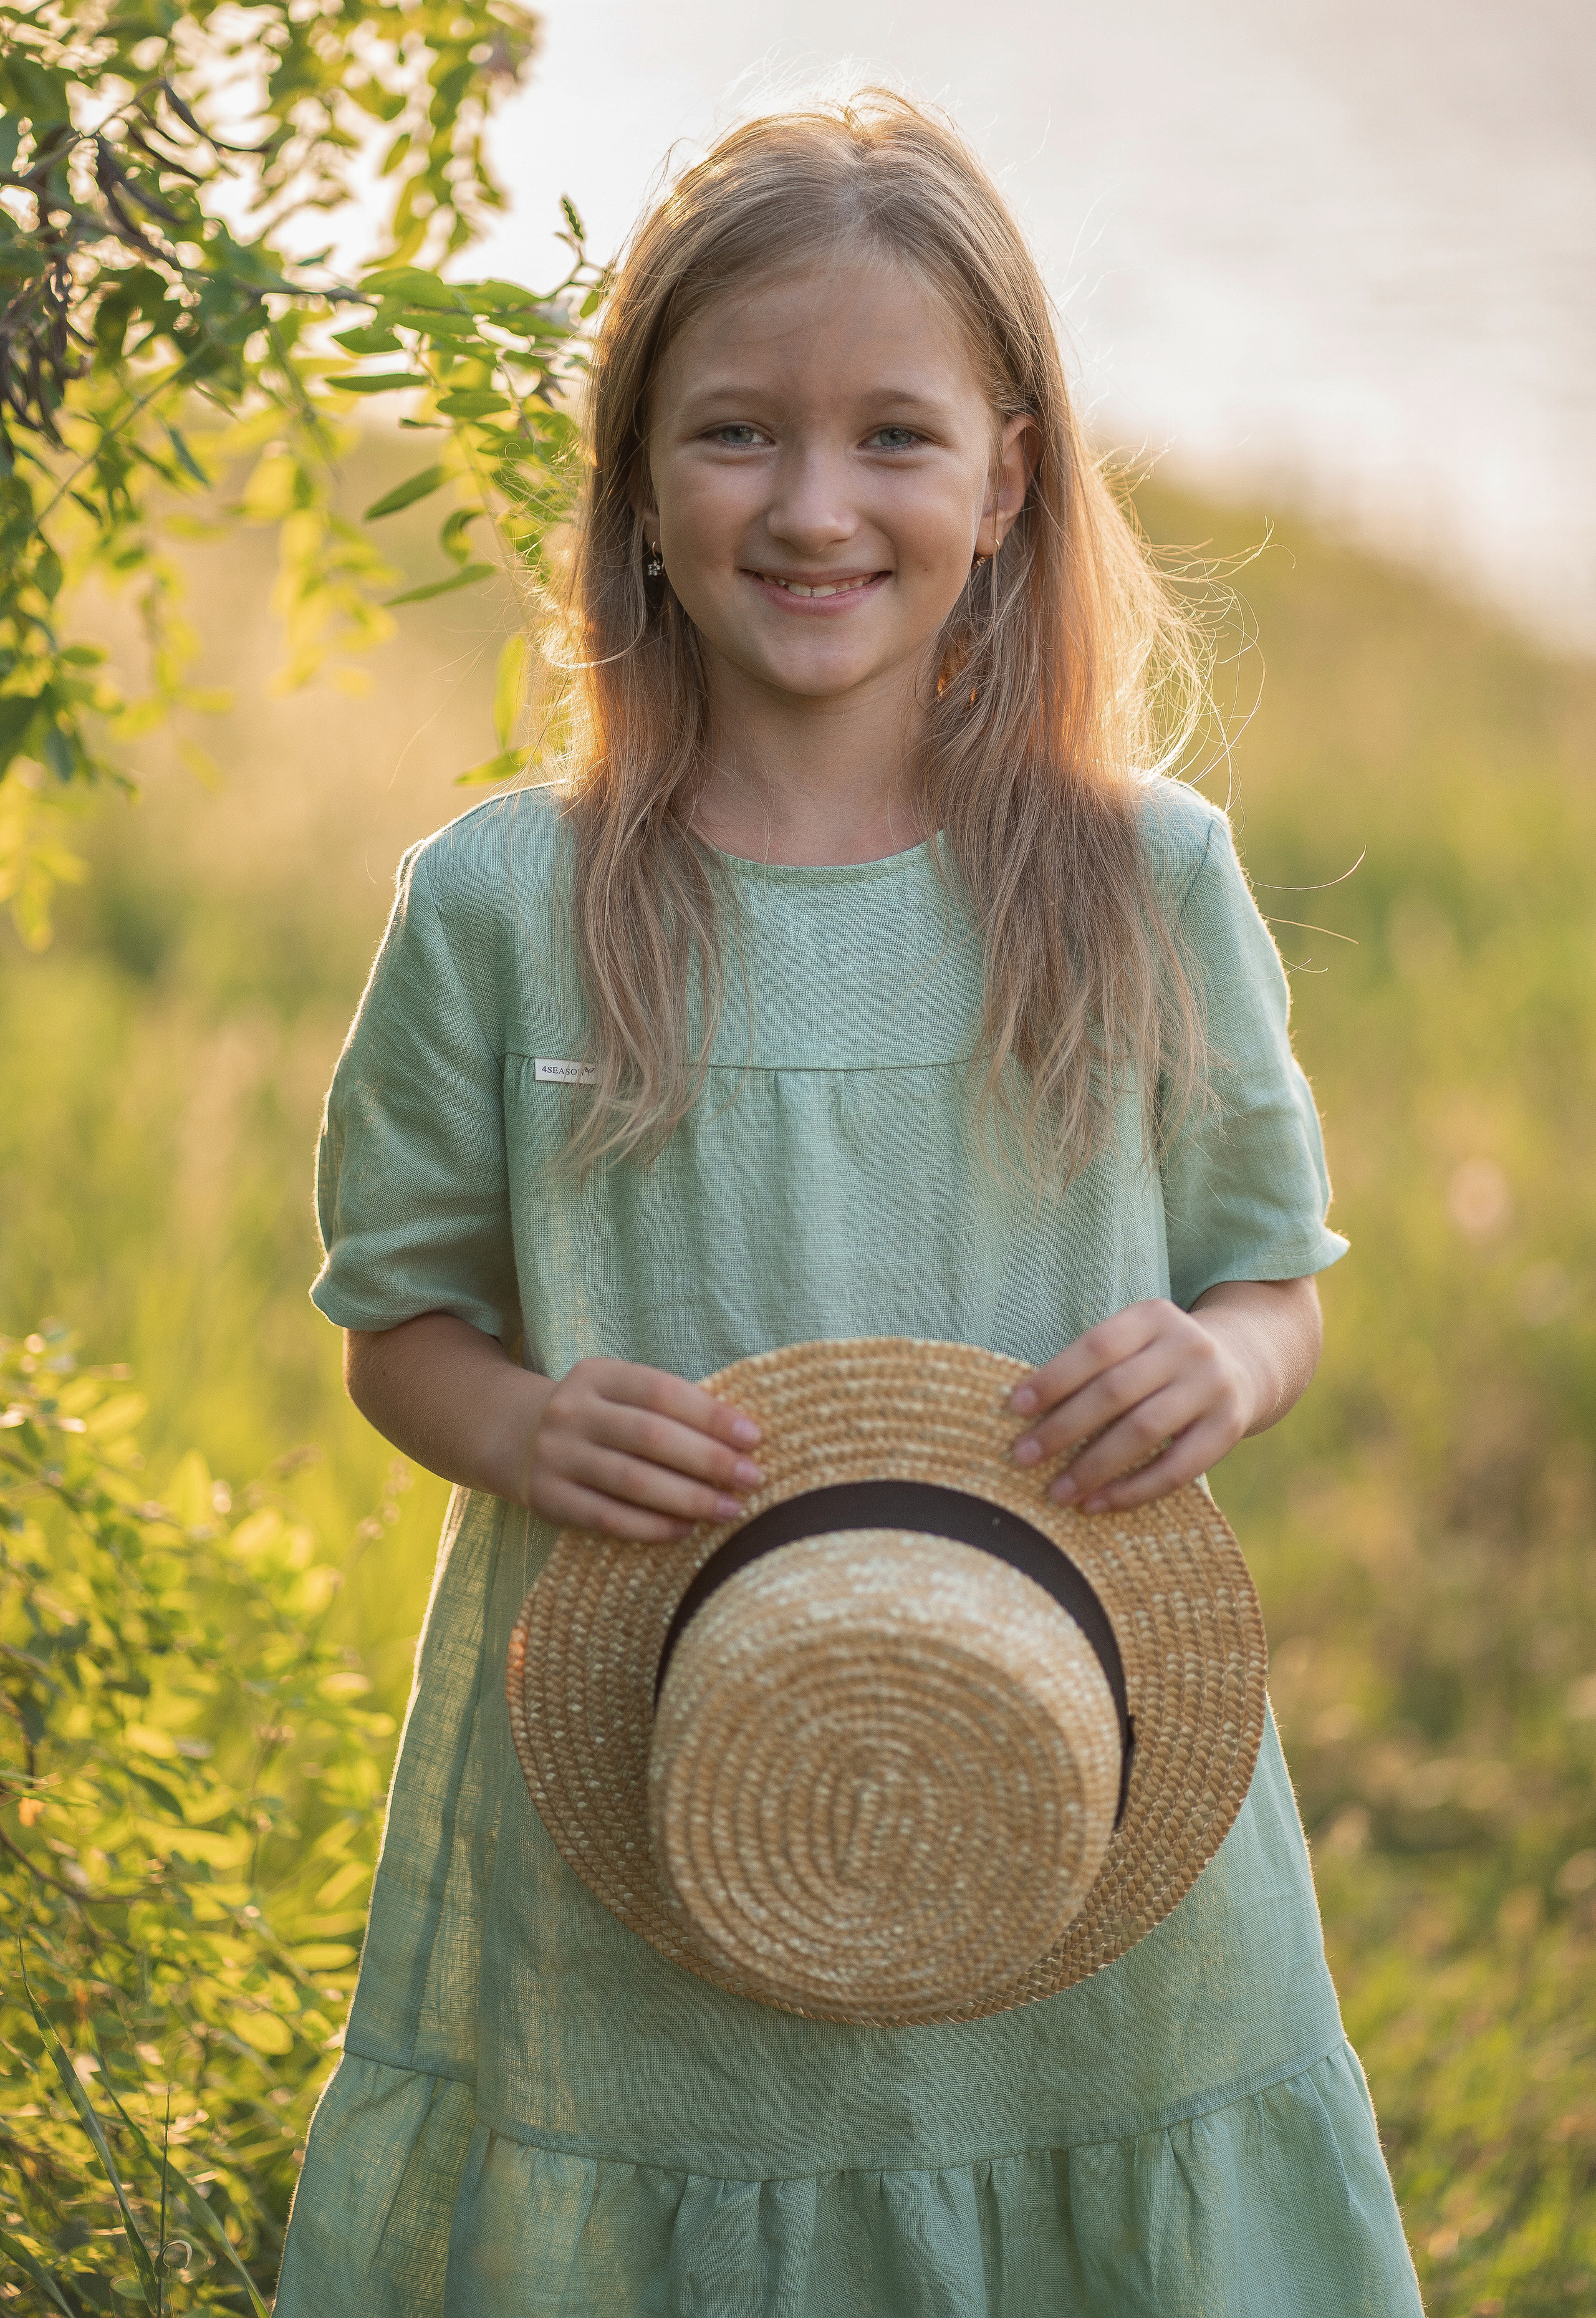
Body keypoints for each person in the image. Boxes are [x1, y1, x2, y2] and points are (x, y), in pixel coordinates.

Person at [276, 89, 1422, 2317]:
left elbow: (1272, 1282)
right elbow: (396, 1327)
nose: (814, 508)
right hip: (652, 1780)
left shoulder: (1144, 879)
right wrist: (520, 1425)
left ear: (1007, 481)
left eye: (894, 436)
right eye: (737, 434)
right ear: (635, 476)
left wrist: (1221, 1365)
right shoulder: (504, 907)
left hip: (1060, 1766)